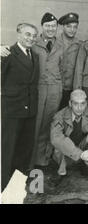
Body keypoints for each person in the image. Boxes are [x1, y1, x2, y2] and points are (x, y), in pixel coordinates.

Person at [1, 23, 39, 191]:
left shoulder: (35, 55)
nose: (31, 38)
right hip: (13, 109)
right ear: (18, 34)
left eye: (33, 36)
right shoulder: (7, 53)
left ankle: (18, 182)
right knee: (8, 148)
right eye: (27, 34)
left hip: (30, 109)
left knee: (24, 147)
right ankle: (3, 184)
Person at [50, 90, 88, 185]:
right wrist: (79, 154)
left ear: (86, 103)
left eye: (82, 104)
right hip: (69, 149)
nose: (79, 108)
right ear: (70, 103)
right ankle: (61, 172)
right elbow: (56, 138)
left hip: (84, 145)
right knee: (59, 145)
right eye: (76, 104)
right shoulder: (60, 116)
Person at [32, 12, 65, 168]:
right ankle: (29, 159)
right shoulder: (34, 43)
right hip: (39, 88)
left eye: (53, 26)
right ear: (42, 26)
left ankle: (42, 158)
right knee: (35, 123)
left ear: (57, 27)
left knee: (48, 123)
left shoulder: (61, 45)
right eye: (47, 26)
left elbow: (63, 69)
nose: (51, 29)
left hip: (54, 89)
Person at [57, 12, 82, 109]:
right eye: (69, 26)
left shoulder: (79, 44)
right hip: (56, 87)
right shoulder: (55, 42)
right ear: (63, 26)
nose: (72, 30)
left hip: (71, 88)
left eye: (75, 27)